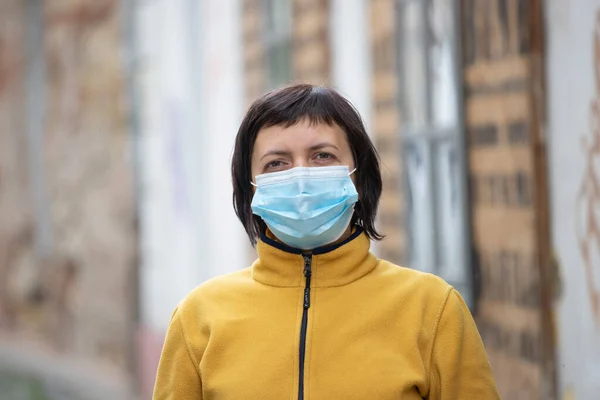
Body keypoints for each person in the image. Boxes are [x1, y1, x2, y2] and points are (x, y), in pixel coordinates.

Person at [152, 84, 500, 400]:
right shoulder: (198, 318)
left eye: (323, 156)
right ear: (251, 186)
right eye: (277, 163)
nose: (301, 176)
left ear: (358, 177)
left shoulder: (433, 309)